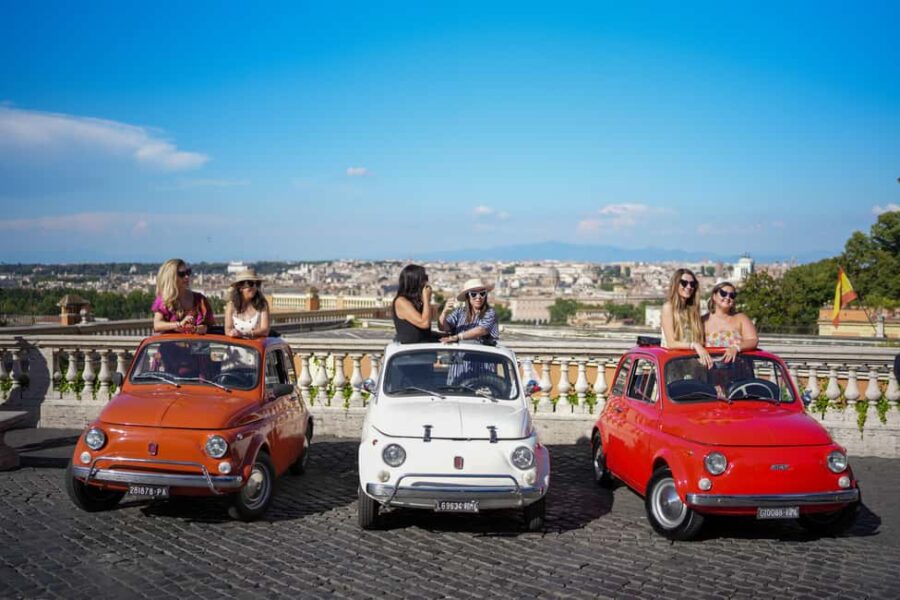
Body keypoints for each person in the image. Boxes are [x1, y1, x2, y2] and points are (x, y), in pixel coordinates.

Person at [661, 268, 712, 368]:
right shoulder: (668, 308)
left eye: (692, 284)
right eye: (684, 283)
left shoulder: (693, 310)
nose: (689, 287)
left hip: (692, 364)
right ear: (676, 284)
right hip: (673, 364)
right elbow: (671, 343)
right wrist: (695, 345)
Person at [152, 258, 215, 334]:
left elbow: (207, 326)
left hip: (196, 345)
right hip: (171, 345)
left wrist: (195, 329)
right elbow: (157, 325)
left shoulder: (200, 300)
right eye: (182, 274)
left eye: (188, 272)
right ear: (171, 277)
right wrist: (179, 324)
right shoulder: (164, 300)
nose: (187, 277)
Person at [703, 281, 758, 363]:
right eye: (723, 293)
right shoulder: (703, 321)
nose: (728, 297)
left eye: (732, 295)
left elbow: (753, 340)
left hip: (738, 371)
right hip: (709, 372)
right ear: (714, 296)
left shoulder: (741, 318)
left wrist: (736, 348)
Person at [439, 278, 500, 345]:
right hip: (460, 353)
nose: (478, 297)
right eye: (474, 294)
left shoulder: (490, 313)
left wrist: (457, 337)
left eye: (482, 293)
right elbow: (443, 328)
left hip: (482, 353)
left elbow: (482, 330)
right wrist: (444, 312)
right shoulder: (459, 312)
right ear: (467, 296)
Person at [392, 264, 440, 343]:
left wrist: (441, 335)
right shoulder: (401, 302)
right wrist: (426, 300)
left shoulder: (415, 302)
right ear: (415, 281)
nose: (426, 282)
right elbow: (424, 323)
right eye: (424, 278)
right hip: (411, 353)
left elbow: (419, 332)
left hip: (424, 350)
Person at [225, 267, 270, 338]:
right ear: (240, 288)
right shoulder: (231, 306)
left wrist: (244, 334)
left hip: (255, 347)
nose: (254, 287)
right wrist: (233, 333)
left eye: (257, 284)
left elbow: (265, 331)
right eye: (251, 284)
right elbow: (227, 330)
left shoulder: (262, 304)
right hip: (235, 348)